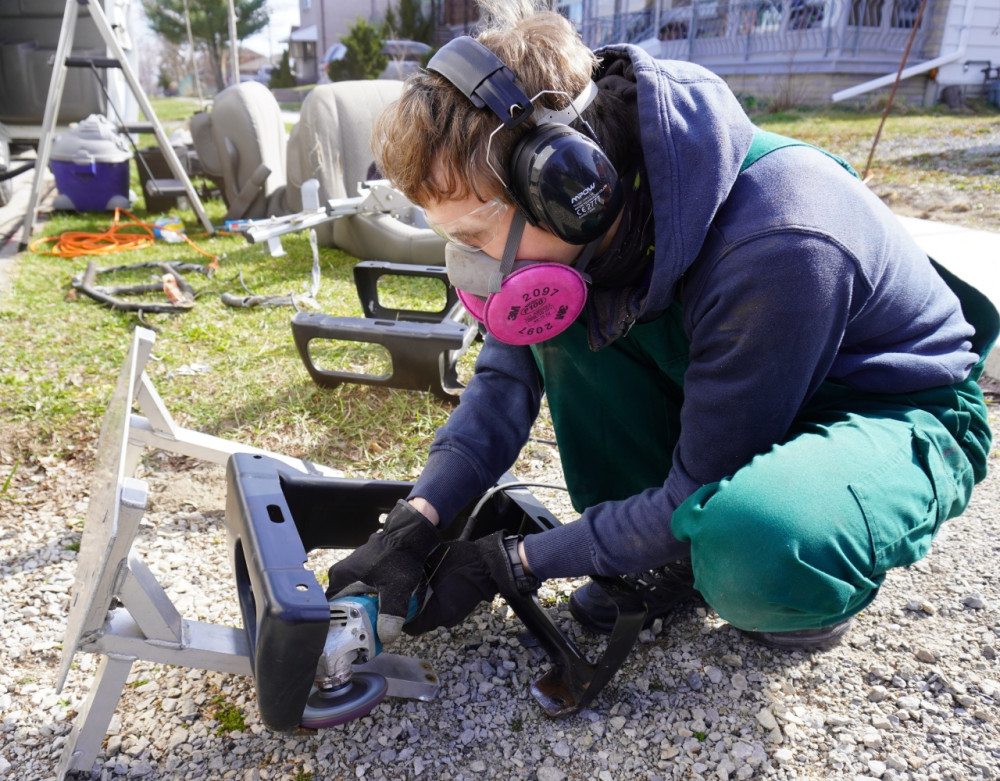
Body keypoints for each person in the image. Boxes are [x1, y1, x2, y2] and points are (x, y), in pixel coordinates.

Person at [326, 0, 998, 652]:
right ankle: (663, 554)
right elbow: (504, 382)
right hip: (741, 380)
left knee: (755, 542)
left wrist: (514, 561)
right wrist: (419, 520)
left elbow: (694, 489)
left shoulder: (779, 241)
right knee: (559, 332)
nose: (472, 268)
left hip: (888, 407)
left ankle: (792, 578)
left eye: (476, 234)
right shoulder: (587, 229)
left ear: (567, 183)